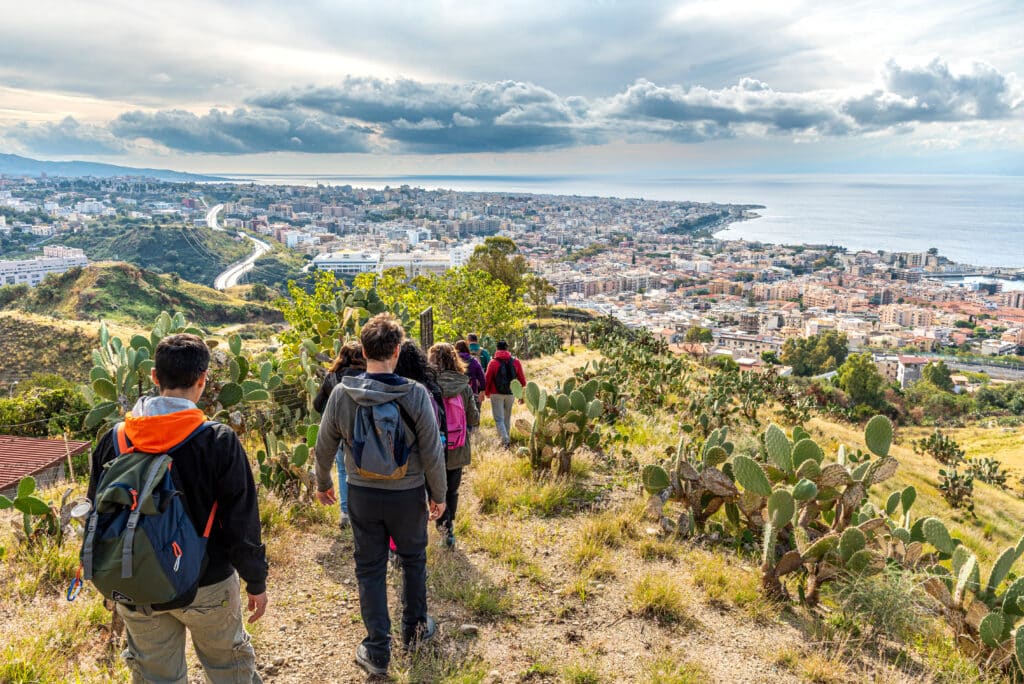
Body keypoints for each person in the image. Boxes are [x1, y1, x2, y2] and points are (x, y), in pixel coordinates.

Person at [86, 333, 268, 684]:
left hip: (136, 580)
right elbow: (240, 522)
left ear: (154, 377)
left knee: (156, 677)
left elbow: (98, 511)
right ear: (203, 380)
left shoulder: (115, 438)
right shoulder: (218, 441)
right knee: (230, 669)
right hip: (208, 582)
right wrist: (255, 580)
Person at [314, 313, 447, 678]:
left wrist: (323, 482)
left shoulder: (342, 394)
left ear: (365, 348)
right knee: (413, 561)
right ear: (398, 350)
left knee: (370, 569)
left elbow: (323, 446)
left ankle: (376, 649)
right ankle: (416, 633)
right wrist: (439, 494)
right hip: (407, 496)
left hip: (362, 495)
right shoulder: (415, 393)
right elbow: (433, 452)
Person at [427, 342, 480, 547]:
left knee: (435, 490)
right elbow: (474, 419)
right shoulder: (464, 386)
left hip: (433, 448)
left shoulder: (429, 386)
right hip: (457, 447)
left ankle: (442, 525)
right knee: (452, 490)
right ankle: (449, 530)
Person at [312, 340, 366, 530]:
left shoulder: (331, 377)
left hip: (338, 431)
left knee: (343, 471)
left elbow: (317, 404)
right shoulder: (367, 376)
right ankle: (362, 512)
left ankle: (345, 513)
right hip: (362, 432)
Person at [484, 340, 527, 449]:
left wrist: (487, 392)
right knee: (507, 418)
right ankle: (506, 440)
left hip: (496, 393)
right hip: (511, 393)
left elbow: (488, 379)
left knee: (499, 419)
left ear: (497, 349)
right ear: (507, 348)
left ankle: (505, 440)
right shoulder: (515, 361)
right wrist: (522, 395)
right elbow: (522, 379)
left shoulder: (493, 362)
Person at [454, 339, 486, 409]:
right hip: (472, 390)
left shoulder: (453, 360)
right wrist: (483, 390)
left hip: (456, 392)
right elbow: (481, 376)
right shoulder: (473, 360)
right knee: (473, 413)